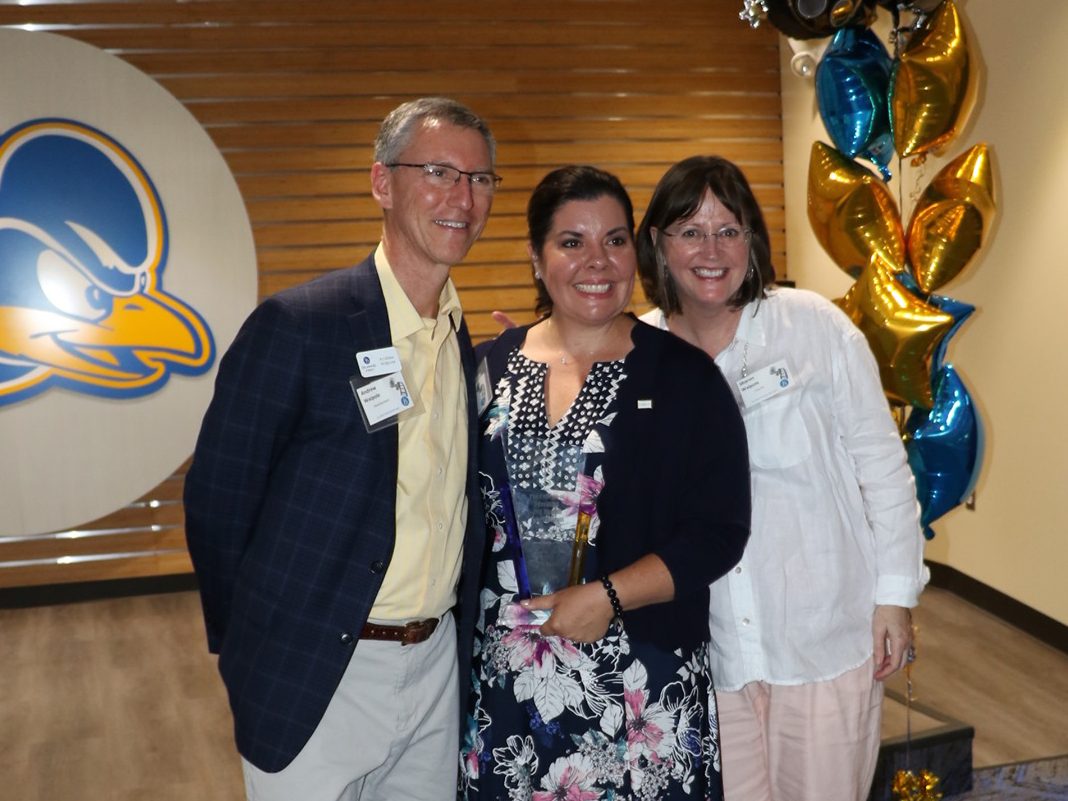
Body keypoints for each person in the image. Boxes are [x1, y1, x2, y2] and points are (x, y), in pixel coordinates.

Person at [183, 96, 499, 801]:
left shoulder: (458, 337)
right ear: (382, 183)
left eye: (479, 180)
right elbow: (218, 503)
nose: (462, 197)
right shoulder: (299, 325)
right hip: (317, 667)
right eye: (440, 172)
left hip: (435, 669)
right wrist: (252, 648)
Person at [636, 155, 928, 801]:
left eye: (730, 229)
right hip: (707, 655)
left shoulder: (812, 326)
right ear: (657, 242)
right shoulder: (640, 353)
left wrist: (895, 597)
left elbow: (882, 465)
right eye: (690, 230)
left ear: (753, 242)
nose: (711, 249)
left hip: (822, 638)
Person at [459, 165, 751, 801]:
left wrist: (608, 597)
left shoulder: (685, 377)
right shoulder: (485, 369)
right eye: (572, 242)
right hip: (510, 686)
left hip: (641, 686)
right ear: (536, 257)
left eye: (615, 240)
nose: (598, 261)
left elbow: (720, 533)